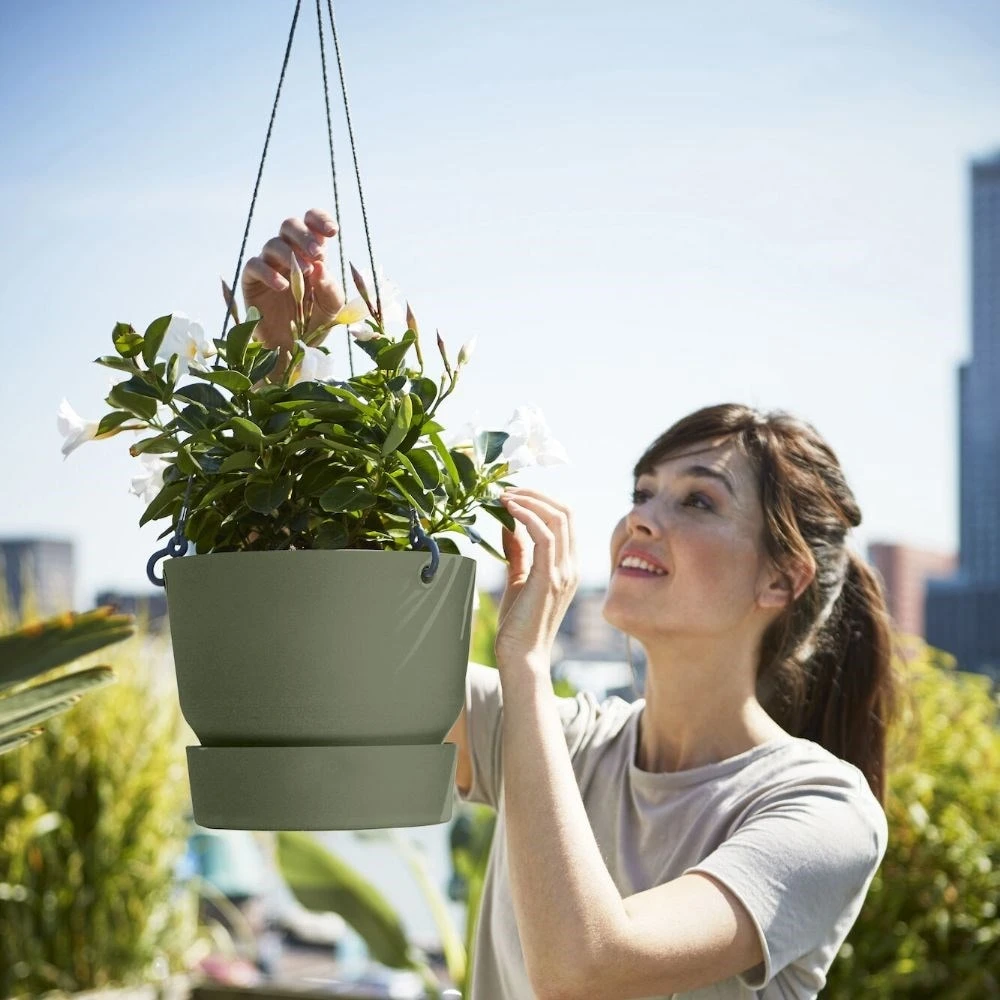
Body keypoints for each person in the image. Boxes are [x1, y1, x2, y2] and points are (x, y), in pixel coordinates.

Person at [243, 209, 896, 1000]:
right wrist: (288, 367)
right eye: (643, 492)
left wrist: (523, 661)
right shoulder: (568, 741)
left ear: (780, 580)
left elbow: (585, 970)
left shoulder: (819, 810)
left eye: (698, 502)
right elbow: (332, 632)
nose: (641, 518)